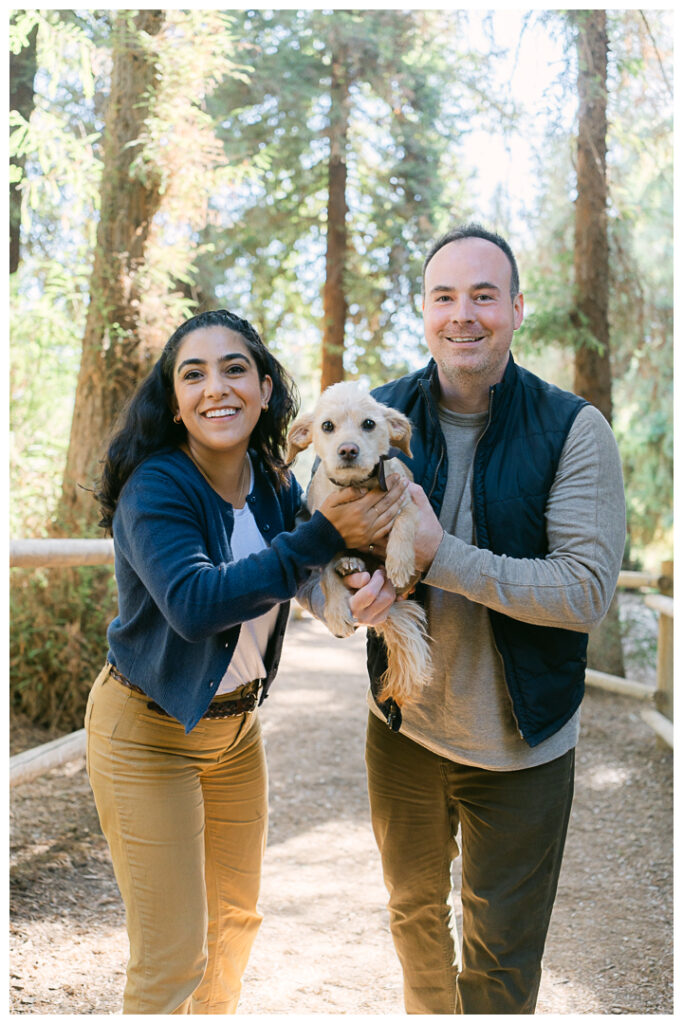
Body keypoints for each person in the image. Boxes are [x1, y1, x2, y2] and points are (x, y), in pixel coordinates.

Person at [332, 225, 626, 1013]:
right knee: (413, 925)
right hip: (403, 730)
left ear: (516, 309)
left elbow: (584, 592)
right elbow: (314, 551)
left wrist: (437, 553)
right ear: (423, 311)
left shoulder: (572, 430)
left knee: (500, 963)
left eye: (483, 296)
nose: (463, 314)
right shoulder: (372, 417)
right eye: (444, 297)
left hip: (522, 743)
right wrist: (337, 605)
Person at [84, 308, 407, 1014]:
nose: (215, 388)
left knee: (233, 928)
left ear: (264, 389)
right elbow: (198, 604)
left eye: (234, 369)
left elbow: (298, 567)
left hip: (236, 736)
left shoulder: (273, 481)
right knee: (172, 955)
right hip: (146, 732)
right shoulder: (156, 488)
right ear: (173, 401)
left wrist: (358, 583)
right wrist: (323, 536)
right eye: (192, 374)